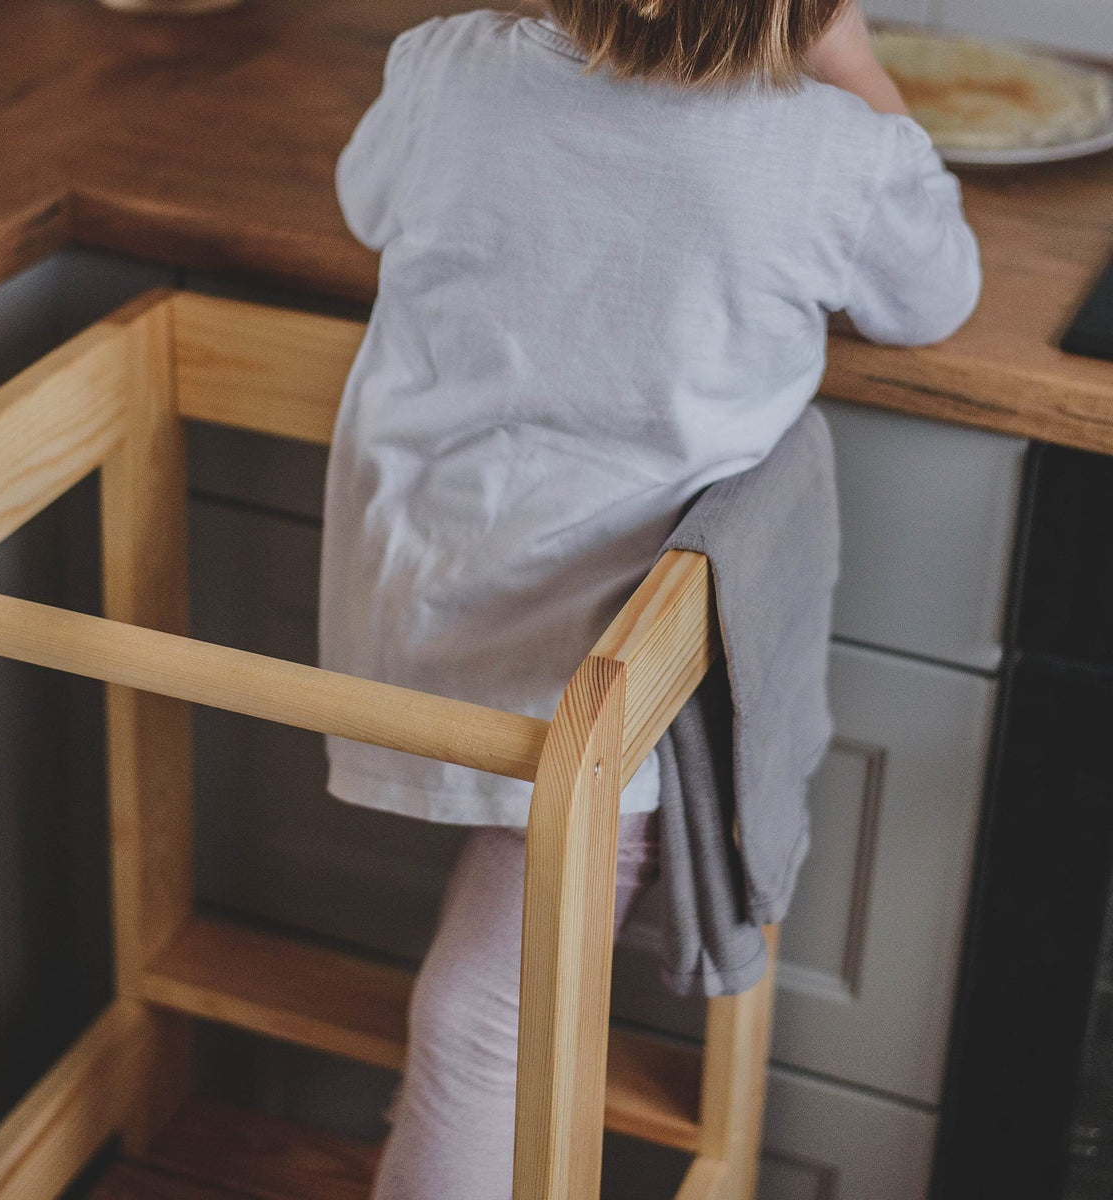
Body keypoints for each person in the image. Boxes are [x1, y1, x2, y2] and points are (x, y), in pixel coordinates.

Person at [319, 3, 981, 1197]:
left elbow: (368, 203)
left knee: (493, 945)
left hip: (428, 596)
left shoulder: (450, 68)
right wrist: (858, 65)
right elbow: (936, 298)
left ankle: (431, 1137)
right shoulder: (832, 151)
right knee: (484, 1018)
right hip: (605, 663)